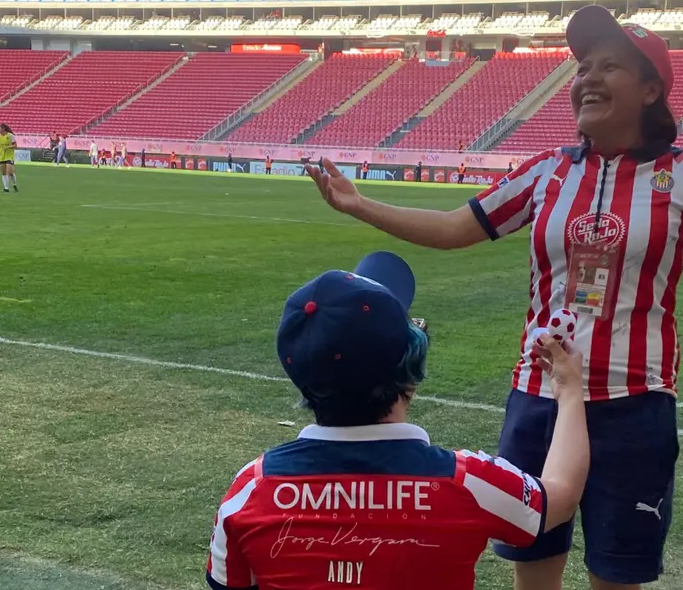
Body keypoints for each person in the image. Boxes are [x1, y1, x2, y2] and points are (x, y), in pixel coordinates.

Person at [306, 6, 683, 590]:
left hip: (633, 405)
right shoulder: (546, 171)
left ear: (651, 90)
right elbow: (459, 226)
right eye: (583, 67)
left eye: (610, 66)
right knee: (532, 567)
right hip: (537, 400)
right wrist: (361, 206)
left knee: (616, 573)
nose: (588, 78)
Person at [206, 251, 590, 590]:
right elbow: (559, 497)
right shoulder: (469, 482)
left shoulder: (251, 491)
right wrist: (570, 390)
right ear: (409, 374)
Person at [0, 124, 19, 193]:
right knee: (3, 172)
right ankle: (6, 188)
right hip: (1, 156)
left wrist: (8, 147)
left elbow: (15, 145)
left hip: (9, 156)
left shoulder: (10, 135)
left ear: (3, 128)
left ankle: (14, 184)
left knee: (10, 172)